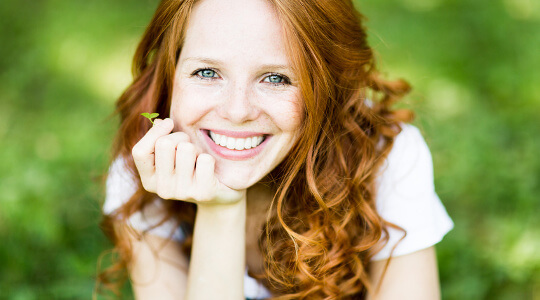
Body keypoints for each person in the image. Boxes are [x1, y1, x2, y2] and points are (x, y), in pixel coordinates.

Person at [98, 0, 453, 299]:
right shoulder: (142, 169)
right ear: (170, 74)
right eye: (207, 72)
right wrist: (221, 209)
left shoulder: (386, 157)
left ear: (326, 86)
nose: (237, 112)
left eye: (276, 78)